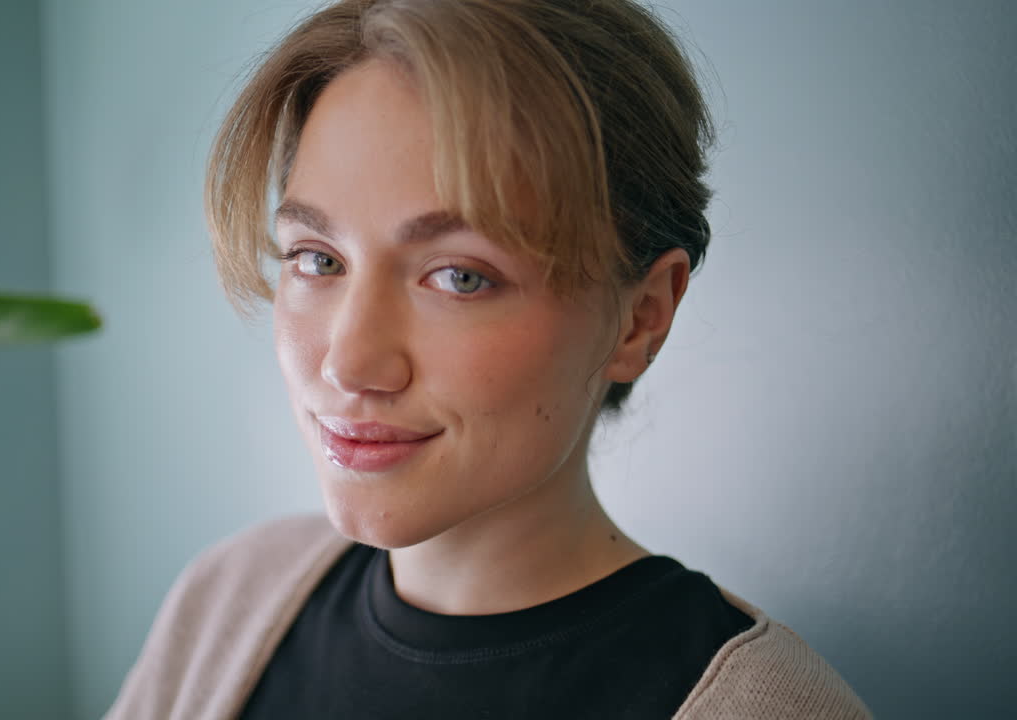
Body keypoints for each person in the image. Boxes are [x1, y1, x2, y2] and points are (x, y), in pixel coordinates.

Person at [107, 1, 871, 717]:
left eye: (459, 276)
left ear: (640, 318)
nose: (350, 363)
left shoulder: (765, 704)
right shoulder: (229, 599)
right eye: (317, 259)